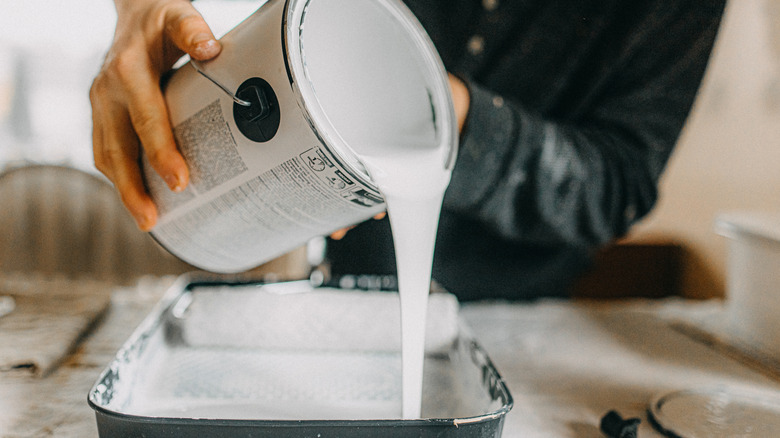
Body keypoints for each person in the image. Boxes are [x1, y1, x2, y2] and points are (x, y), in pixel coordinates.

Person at [90, 0, 726, 300]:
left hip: (516, 315)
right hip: (329, 271)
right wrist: (140, 8)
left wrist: (444, 113)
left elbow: (620, 184)